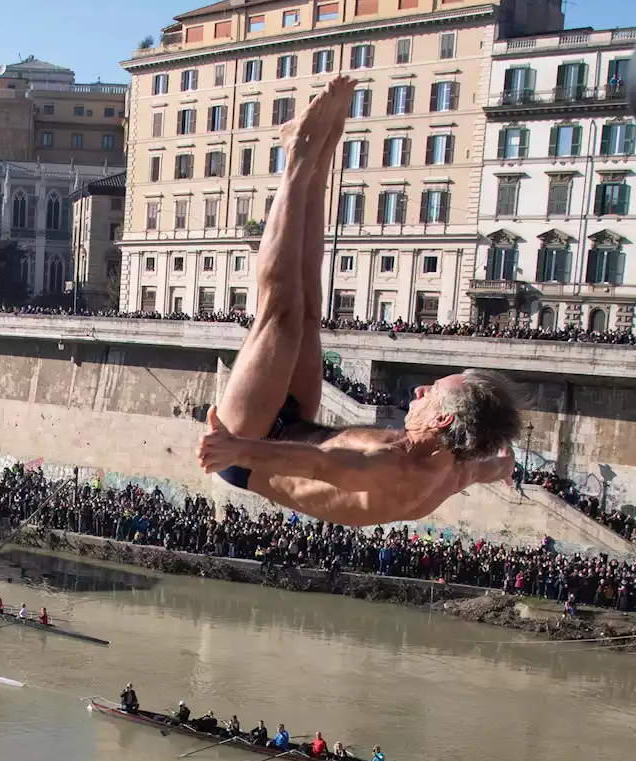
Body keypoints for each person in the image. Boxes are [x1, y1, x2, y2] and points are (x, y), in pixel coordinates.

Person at [195, 77, 521, 526]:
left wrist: (233, 448)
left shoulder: (396, 468)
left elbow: (319, 466)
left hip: (250, 452)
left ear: (443, 422)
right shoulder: (458, 465)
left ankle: (296, 157)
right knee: (309, 313)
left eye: (432, 393)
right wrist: (505, 464)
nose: (420, 390)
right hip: (294, 429)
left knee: (281, 315)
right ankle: (324, 153)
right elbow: (492, 467)